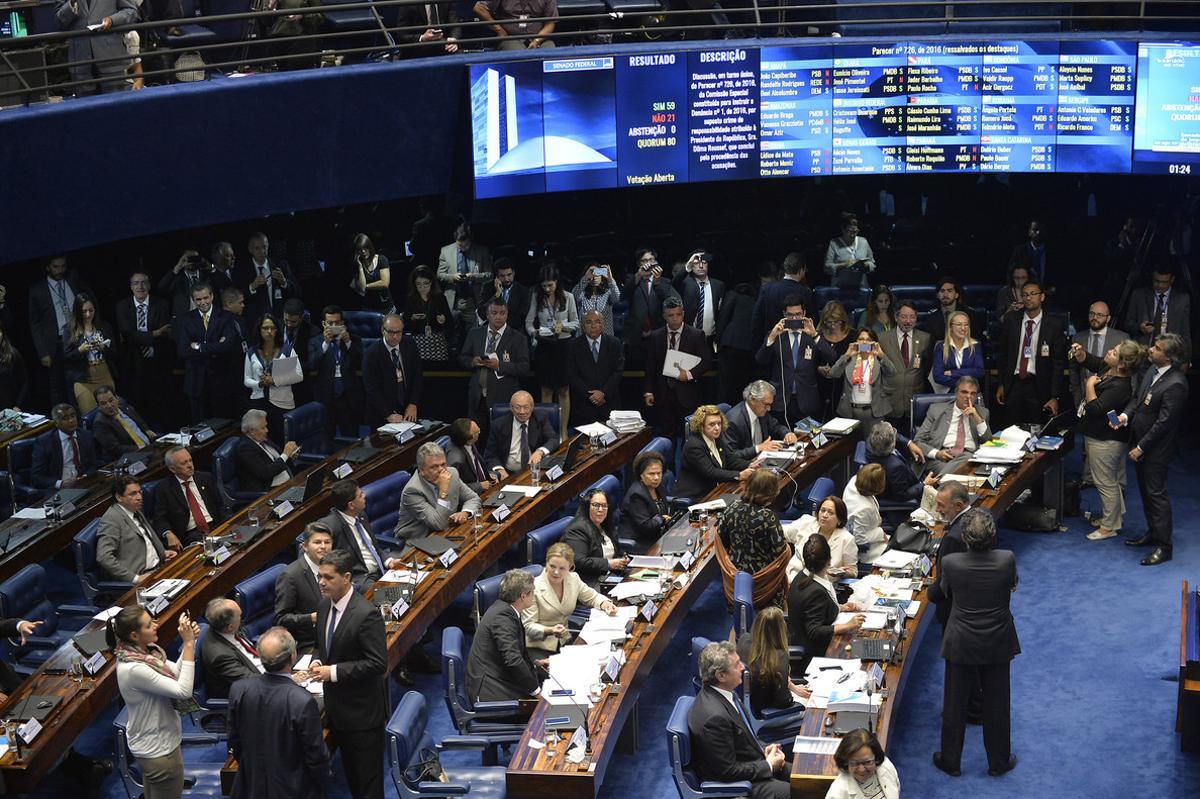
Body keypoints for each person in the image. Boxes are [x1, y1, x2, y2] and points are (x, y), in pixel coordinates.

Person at [934, 509, 1020, 778]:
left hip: (961, 640)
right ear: (992, 536)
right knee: (997, 705)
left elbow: (940, 593)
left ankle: (951, 761)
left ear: (965, 537)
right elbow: (1013, 585)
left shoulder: (951, 562)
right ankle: (998, 762)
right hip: (997, 640)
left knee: (954, 704)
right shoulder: (1006, 559)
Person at [307, 549, 388, 799]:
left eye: (328, 578)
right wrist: (317, 660)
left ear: (347, 577)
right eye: (320, 576)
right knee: (352, 780)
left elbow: (377, 664)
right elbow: (323, 645)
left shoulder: (366, 614)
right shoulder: (323, 607)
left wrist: (331, 672)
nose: (321, 583)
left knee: (367, 786)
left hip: (363, 717)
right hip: (336, 711)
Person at [227, 626, 331, 799]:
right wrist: (324, 783)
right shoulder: (302, 701)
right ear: (293, 656)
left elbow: (234, 741)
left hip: (251, 784)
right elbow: (316, 755)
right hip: (294, 788)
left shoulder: (239, 689)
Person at [109, 605, 200, 799]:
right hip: (160, 751)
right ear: (134, 635)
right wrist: (189, 645)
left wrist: (189, 643)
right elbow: (183, 691)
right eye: (150, 625)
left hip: (154, 744)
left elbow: (176, 673)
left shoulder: (142, 653)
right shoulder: (135, 668)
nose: (156, 625)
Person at [1116, 333, 1189, 566]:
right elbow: (1139, 401)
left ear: (1168, 357)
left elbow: (1164, 423)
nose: (1150, 350)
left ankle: (1164, 546)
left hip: (1155, 449)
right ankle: (1153, 532)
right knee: (1147, 492)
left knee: (1156, 495)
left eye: (1156, 348)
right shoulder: (1151, 371)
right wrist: (1126, 416)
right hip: (1140, 442)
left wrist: (1141, 446)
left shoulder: (1177, 383)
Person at [687, 640, 791, 799]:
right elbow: (727, 771)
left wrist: (766, 748)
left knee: (803, 776)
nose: (743, 667)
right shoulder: (714, 718)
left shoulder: (727, 693)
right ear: (720, 675)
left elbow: (745, 737)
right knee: (797, 791)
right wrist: (769, 765)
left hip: (752, 762)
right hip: (739, 784)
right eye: (736, 665)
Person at [1071, 339, 1143, 540]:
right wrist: (1081, 355)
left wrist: (1089, 385)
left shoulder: (1121, 387)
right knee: (1113, 480)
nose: (1108, 352)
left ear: (1121, 364)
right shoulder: (1110, 368)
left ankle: (1109, 527)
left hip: (1105, 440)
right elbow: (1094, 362)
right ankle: (1113, 518)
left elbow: (1095, 409)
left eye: (1113, 352)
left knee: (1105, 482)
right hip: (1105, 437)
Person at [521, 542, 617, 656]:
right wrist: (550, 630)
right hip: (539, 646)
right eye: (552, 566)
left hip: (565, 640)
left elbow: (592, 597)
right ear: (546, 563)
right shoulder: (532, 588)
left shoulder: (573, 578)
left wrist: (604, 603)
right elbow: (528, 627)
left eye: (562, 568)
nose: (556, 572)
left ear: (570, 567)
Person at [786, 536, 864, 675]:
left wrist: (840, 607)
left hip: (803, 640)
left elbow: (812, 611)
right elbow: (814, 630)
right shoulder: (815, 591)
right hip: (813, 655)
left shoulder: (803, 576)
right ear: (829, 560)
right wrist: (848, 626)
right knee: (861, 657)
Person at [995, 279, 1066, 426]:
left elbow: (1058, 364)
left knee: (1037, 430)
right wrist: (1001, 383)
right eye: (1025, 294)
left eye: (1033, 294)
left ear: (1042, 297)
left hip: (1039, 384)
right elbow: (1003, 355)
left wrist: (1055, 396)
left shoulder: (1054, 324)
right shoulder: (1011, 319)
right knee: (1011, 428)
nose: (1028, 298)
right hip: (1014, 382)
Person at [756, 295, 835, 427]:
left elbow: (832, 357)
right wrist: (771, 338)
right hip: (781, 402)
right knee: (781, 440)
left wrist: (815, 335)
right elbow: (760, 360)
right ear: (784, 314)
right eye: (790, 315)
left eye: (798, 314)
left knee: (808, 442)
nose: (794, 318)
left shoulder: (812, 335)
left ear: (804, 314)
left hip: (807, 401)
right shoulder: (776, 335)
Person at [467, 568, 542, 703]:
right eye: (533, 593)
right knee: (545, 709)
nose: (534, 595)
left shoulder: (504, 609)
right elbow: (513, 660)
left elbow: (514, 652)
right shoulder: (502, 617)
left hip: (498, 675)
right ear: (523, 596)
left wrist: (535, 665)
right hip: (489, 693)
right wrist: (537, 693)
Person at [718, 469, 789, 607]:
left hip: (737, 578)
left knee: (740, 620)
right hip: (764, 581)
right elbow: (780, 552)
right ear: (768, 493)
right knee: (769, 620)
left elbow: (722, 537)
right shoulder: (768, 517)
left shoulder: (732, 507)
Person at [643, 297, 712, 436]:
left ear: (683, 314)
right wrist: (648, 391)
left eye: (678, 315)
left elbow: (706, 362)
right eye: (671, 315)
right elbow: (650, 365)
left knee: (689, 435)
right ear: (664, 316)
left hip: (688, 394)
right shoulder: (655, 336)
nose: (675, 318)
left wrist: (688, 375)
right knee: (667, 435)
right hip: (663, 394)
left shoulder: (696, 335)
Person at [29, 256, 91, 406]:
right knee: (56, 386)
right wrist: (42, 352)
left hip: (77, 338)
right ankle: (61, 422)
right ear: (47, 267)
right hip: (54, 343)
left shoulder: (73, 279)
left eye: (63, 266)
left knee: (78, 381)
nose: (60, 270)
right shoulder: (37, 290)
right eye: (56, 267)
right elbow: (35, 324)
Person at [175, 282, 241, 423]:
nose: (203, 302)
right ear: (193, 300)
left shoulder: (226, 317)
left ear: (212, 296)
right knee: (200, 428)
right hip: (196, 384)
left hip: (221, 381)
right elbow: (183, 351)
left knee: (223, 425)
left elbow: (228, 347)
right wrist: (216, 345)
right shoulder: (184, 320)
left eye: (206, 298)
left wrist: (199, 346)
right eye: (198, 299)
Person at [459, 298, 530, 426]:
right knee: (475, 439)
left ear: (507, 315)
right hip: (477, 398)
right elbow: (463, 358)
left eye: (502, 313)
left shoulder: (518, 338)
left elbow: (524, 367)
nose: (498, 317)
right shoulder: (475, 334)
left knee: (501, 441)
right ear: (487, 315)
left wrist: (500, 366)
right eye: (494, 313)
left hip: (503, 399)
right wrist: (472, 362)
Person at [526, 263, 578, 436]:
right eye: (544, 286)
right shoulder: (536, 297)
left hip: (563, 346)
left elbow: (576, 323)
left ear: (557, 282)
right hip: (545, 347)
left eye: (550, 285)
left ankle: (563, 432)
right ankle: (548, 432)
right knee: (546, 390)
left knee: (563, 390)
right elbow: (528, 322)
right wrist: (534, 332)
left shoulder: (568, 297)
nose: (547, 288)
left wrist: (562, 326)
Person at [393, 442, 482, 543]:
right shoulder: (412, 491)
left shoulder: (452, 473)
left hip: (448, 533)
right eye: (434, 467)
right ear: (421, 470)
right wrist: (443, 491)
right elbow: (440, 524)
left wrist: (465, 513)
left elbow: (473, 498)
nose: (441, 470)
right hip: (418, 541)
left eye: (443, 464)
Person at [735, 606, 811, 719]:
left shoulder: (743, 639)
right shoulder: (780, 656)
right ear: (781, 630)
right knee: (811, 709)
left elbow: (770, 677)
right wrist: (793, 696)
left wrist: (791, 686)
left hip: (744, 708)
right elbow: (783, 702)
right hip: (768, 713)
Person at [98, 476, 176, 583]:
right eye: (133, 494)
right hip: (143, 578)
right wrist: (134, 578)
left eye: (140, 492)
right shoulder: (112, 518)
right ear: (119, 497)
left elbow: (143, 541)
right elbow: (104, 557)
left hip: (159, 567)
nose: (139, 497)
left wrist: (162, 553)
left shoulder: (135, 510)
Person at [114, 270, 172, 415]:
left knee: (161, 401)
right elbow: (127, 334)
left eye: (143, 282)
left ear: (150, 285)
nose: (140, 286)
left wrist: (152, 341)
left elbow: (166, 332)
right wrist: (155, 333)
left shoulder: (162, 304)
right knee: (137, 401)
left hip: (157, 358)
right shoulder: (122, 306)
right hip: (132, 360)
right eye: (136, 283)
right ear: (131, 286)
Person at [909, 376, 992, 476]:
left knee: (966, 457)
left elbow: (988, 442)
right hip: (940, 460)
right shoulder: (936, 410)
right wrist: (937, 454)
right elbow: (917, 441)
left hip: (969, 460)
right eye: (964, 392)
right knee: (960, 470)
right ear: (956, 393)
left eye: (972, 393)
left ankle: (934, 486)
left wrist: (977, 418)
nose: (968, 396)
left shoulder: (982, 413)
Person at [55, 0, 138, 94]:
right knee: (85, 105)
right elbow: (59, 21)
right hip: (80, 59)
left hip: (110, 56)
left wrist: (112, 20)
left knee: (115, 104)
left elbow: (131, 11)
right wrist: (71, 4)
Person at [244, 312, 304, 441]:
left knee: (283, 438)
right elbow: (247, 379)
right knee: (261, 441)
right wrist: (259, 384)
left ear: (277, 330)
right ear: (259, 330)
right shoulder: (252, 352)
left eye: (272, 328)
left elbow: (299, 375)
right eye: (265, 328)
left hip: (282, 402)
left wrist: (275, 380)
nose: (269, 331)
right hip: (258, 401)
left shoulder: (287, 350)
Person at [274, 521, 333, 654]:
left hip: (338, 628)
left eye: (327, 542)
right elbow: (281, 619)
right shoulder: (290, 576)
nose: (323, 547)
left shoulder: (332, 565)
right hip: (312, 642)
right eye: (317, 542)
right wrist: (311, 617)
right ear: (305, 546)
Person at [309, 304, 364, 443]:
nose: (334, 326)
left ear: (342, 323)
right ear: (323, 324)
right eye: (330, 323)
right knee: (327, 437)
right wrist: (326, 344)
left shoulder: (354, 339)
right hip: (327, 395)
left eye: (337, 323)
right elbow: (312, 364)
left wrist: (347, 341)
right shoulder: (315, 342)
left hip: (348, 395)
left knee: (351, 436)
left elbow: (360, 362)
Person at [675, 404, 754, 501]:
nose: (717, 428)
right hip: (697, 496)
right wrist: (739, 475)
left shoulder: (716, 438)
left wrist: (750, 464)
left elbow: (730, 460)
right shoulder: (694, 446)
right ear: (701, 426)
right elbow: (710, 472)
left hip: (716, 489)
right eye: (712, 424)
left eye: (719, 423)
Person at [154, 445, 226, 549]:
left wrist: (229, 523)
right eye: (184, 463)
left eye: (190, 460)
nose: (190, 465)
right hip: (191, 534)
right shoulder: (164, 489)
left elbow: (221, 504)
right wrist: (168, 533)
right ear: (172, 469)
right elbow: (160, 519)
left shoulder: (205, 478)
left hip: (215, 525)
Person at [321, 479, 389, 589]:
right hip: (361, 579)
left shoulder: (360, 514)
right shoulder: (330, 526)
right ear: (351, 505)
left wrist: (388, 560)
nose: (364, 495)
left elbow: (374, 547)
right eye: (360, 495)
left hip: (382, 570)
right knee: (391, 599)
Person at [829, 327, 896, 438]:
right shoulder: (849, 358)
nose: (864, 341)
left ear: (874, 342)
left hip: (874, 412)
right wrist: (846, 355)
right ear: (856, 341)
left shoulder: (878, 359)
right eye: (861, 339)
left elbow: (892, 372)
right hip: (850, 411)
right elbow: (833, 373)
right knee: (851, 447)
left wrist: (881, 354)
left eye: (868, 339)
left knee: (874, 446)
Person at [878, 301, 932, 434]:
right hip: (889, 402)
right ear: (896, 317)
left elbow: (926, 368)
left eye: (912, 317)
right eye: (904, 316)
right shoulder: (882, 339)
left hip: (914, 402)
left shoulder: (926, 338)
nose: (908, 321)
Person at [362, 313, 424, 427]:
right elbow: (372, 389)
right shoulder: (371, 354)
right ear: (383, 330)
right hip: (381, 413)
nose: (395, 336)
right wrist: (388, 414)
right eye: (391, 332)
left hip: (407, 410)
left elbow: (417, 376)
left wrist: (413, 403)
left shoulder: (410, 345)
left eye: (398, 332)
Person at [565, 309, 624, 429]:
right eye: (588, 322)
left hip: (609, 403)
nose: (593, 326)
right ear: (583, 325)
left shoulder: (615, 343)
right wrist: (591, 395)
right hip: (583, 406)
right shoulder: (573, 346)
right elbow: (572, 375)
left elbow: (618, 372)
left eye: (597, 322)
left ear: (603, 324)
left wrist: (603, 393)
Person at [621, 247, 679, 368]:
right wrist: (638, 275)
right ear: (639, 263)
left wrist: (657, 282)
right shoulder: (633, 280)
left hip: (658, 333)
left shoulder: (664, 282)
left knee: (658, 370)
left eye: (651, 259)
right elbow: (623, 295)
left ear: (656, 262)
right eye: (644, 260)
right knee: (636, 371)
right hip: (636, 335)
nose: (648, 263)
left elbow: (670, 302)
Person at [925, 482, 972, 628]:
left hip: (954, 610)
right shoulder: (982, 516)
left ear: (958, 506)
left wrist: (930, 594)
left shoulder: (954, 537)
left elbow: (947, 579)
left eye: (941, 505)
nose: (938, 510)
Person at [483, 390, 558, 479]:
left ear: (532, 407)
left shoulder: (540, 418)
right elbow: (490, 455)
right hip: (508, 473)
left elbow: (553, 439)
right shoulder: (498, 425)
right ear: (511, 407)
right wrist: (499, 469)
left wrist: (539, 452)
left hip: (535, 471)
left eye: (526, 407)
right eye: (517, 407)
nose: (522, 412)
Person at [783, 495, 858, 584]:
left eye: (830, 513)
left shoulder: (847, 539)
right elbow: (781, 533)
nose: (825, 515)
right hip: (792, 578)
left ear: (839, 519)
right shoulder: (806, 522)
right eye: (822, 510)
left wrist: (842, 573)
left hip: (821, 586)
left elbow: (853, 571)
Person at [438, 222, 493, 342]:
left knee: (473, 334)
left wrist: (474, 276)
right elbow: (440, 274)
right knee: (454, 335)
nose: (462, 248)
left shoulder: (481, 251)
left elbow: (490, 274)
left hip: (473, 300)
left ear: (470, 240)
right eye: (459, 245)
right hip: (453, 301)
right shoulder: (446, 251)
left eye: (465, 245)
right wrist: (452, 277)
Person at [62, 293, 117, 413]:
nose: (88, 315)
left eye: (91, 311)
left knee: (112, 412)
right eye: (84, 311)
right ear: (77, 311)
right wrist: (80, 350)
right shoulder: (69, 329)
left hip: (103, 372)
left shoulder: (104, 327)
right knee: (91, 415)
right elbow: (65, 357)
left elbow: (114, 353)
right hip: (83, 378)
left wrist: (103, 348)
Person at [562, 487, 628, 587]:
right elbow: (578, 561)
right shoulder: (577, 529)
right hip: (589, 582)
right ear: (587, 506)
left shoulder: (605, 523)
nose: (601, 510)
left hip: (611, 575)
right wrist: (609, 564)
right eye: (596, 505)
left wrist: (623, 557)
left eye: (604, 506)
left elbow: (614, 548)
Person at [200, 598, 264, 699]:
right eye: (240, 616)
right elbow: (250, 681)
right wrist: (281, 679)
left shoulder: (224, 628)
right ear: (230, 627)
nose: (241, 618)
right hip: (248, 693)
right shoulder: (220, 656)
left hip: (259, 668)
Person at [1123, 264, 1192, 353]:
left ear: (1172, 280)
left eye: (1164, 282)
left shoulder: (1182, 299)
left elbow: (1185, 331)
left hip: (1169, 353)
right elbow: (1128, 324)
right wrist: (1139, 328)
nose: (1160, 285)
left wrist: (1186, 359)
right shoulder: (1139, 295)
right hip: (1143, 352)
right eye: (1156, 281)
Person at [724, 379, 799, 461]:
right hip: (745, 465)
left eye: (770, 405)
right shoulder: (734, 421)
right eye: (766, 404)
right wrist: (758, 448)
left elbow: (776, 427)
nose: (769, 409)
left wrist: (787, 433)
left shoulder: (761, 412)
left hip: (763, 458)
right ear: (753, 399)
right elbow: (731, 455)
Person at [31, 403, 99, 490]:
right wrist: (60, 484)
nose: (71, 420)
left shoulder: (86, 435)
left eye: (72, 416)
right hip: (58, 489)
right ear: (56, 423)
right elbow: (37, 477)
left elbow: (93, 464)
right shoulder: (44, 442)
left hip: (83, 484)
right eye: (65, 418)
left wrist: (85, 477)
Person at [751, 251, 812, 347]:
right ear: (801, 270)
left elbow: (757, 320)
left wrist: (758, 346)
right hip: (796, 346)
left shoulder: (767, 289)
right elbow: (811, 322)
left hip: (771, 344)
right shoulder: (806, 293)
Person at [865, 420, 935, 503]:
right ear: (893, 444)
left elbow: (888, 435)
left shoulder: (871, 441)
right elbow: (902, 495)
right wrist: (924, 484)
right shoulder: (895, 467)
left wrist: (909, 443)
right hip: (904, 489)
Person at [235, 409, 301, 493]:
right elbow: (266, 473)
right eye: (263, 428)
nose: (267, 430)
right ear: (251, 431)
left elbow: (278, 459)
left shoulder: (261, 438)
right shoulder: (245, 448)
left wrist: (290, 454)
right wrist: (285, 454)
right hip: (271, 490)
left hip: (289, 480)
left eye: (266, 426)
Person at [618, 450, 673, 548]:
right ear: (641, 475)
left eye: (659, 473)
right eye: (651, 474)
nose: (656, 477)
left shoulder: (657, 486)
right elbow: (645, 526)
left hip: (657, 535)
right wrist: (662, 518)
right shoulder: (636, 495)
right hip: (639, 543)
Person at [239, 233, 301, 320]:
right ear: (250, 249)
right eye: (257, 248)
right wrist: (252, 287)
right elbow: (238, 296)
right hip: (255, 321)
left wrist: (284, 283)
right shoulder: (242, 270)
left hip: (279, 319)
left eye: (264, 247)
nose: (262, 251)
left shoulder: (280, 265)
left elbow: (296, 291)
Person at [716, 281, 759, 405]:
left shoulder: (732, 295)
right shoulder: (755, 301)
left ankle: (722, 414)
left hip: (730, 344)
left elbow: (724, 317)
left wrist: (718, 339)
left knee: (725, 385)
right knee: (742, 386)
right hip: (748, 348)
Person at [826, 728, 900, 799]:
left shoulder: (885, 766)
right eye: (854, 763)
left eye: (867, 762)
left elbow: (896, 789)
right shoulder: (837, 793)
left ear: (876, 757)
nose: (861, 769)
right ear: (846, 762)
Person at [674, 250, 726, 348]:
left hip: (710, 337)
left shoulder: (718, 285)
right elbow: (674, 284)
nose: (701, 266)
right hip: (689, 336)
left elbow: (720, 311)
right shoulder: (685, 283)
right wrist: (687, 266)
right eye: (696, 263)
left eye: (704, 263)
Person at [92, 385, 156, 461]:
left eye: (111, 400)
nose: (109, 405)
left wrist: (146, 429)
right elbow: (115, 449)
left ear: (117, 398)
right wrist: (141, 448)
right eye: (103, 403)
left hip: (150, 444)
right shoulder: (100, 423)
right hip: (133, 456)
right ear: (98, 406)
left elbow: (138, 419)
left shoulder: (123, 404)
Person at [404, 265, 454, 362]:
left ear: (431, 282)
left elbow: (450, 323)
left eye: (426, 284)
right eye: (419, 284)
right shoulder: (411, 299)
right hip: (418, 341)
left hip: (437, 341)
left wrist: (443, 320)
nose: (422, 288)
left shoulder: (440, 298)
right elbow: (405, 325)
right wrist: (412, 319)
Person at [843, 464, 889, 562]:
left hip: (866, 530)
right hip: (865, 549)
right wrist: (881, 533)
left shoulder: (855, 480)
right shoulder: (864, 508)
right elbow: (859, 539)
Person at [931, 310, 984, 393]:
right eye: (959, 324)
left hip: (970, 394)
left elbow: (979, 371)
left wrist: (953, 373)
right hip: (947, 394)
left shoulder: (975, 345)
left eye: (966, 324)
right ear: (950, 327)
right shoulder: (941, 347)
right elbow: (937, 376)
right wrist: (962, 386)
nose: (963, 328)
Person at [920, 278, 984, 345]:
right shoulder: (930, 319)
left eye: (949, 291)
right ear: (938, 295)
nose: (945, 294)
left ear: (956, 295)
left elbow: (977, 341)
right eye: (942, 291)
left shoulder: (970, 315)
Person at [476, 258, 531, 335]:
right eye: (502, 276)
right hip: (491, 330)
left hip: (513, 332)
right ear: (496, 276)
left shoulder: (523, 291)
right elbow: (481, 313)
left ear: (514, 273)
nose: (506, 279)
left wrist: (500, 327)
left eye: (509, 275)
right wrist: (497, 295)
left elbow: (521, 318)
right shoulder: (487, 287)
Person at [473, 0, 558, 49]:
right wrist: (499, 30)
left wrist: (537, 40)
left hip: (539, 37)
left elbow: (550, 24)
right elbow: (479, 8)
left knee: (550, 50)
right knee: (517, 53)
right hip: (510, 37)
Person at [444, 417, 494, 494]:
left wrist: (490, 476)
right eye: (478, 431)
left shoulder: (467, 442)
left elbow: (478, 467)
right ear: (470, 440)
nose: (479, 431)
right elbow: (452, 488)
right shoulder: (456, 460)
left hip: (487, 484)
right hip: (473, 496)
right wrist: (479, 486)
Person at [824, 214, 875, 288]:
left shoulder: (863, 241)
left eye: (855, 232)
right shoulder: (834, 243)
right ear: (843, 229)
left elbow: (872, 264)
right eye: (850, 232)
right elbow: (827, 267)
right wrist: (844, 265)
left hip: (861, 287)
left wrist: (865, 265)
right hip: (840, 288)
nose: (853, 235)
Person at [573, 261, 622, 336]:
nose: (595, 277)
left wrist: (610, 279)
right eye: (592, 273)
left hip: (605, 337)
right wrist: (585, 278)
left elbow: (617, 298)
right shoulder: (582, 293)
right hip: (584, 337)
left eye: (598, 273)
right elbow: (573, 296)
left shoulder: (608, 293)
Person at [350, 233, 392, 313]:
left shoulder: (381, 259)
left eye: (365, 248)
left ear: (370, 246)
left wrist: (367, 286)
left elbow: (385, 283)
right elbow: (362, 288)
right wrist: (360, 267)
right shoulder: (357, 265)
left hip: (386, 305)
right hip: (369, 307)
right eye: (360, 249)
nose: (363, 251)